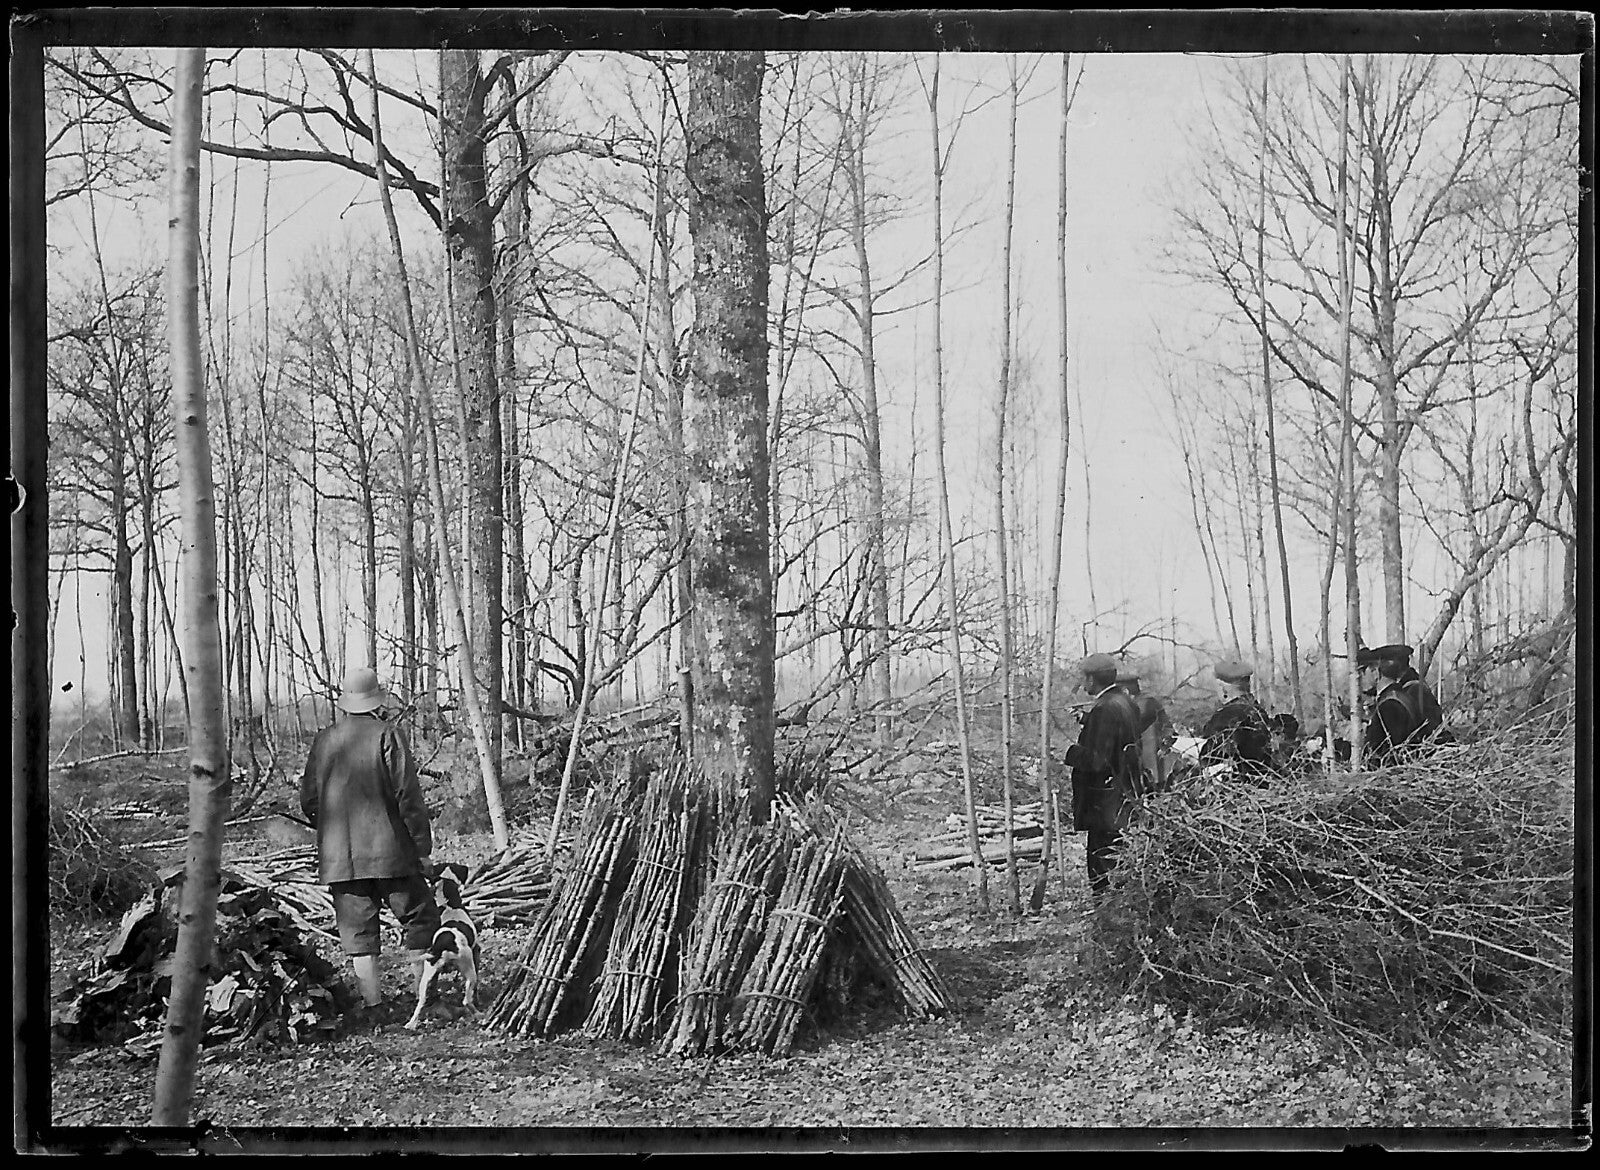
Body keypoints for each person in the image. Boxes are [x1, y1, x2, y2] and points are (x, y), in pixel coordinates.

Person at [300, 666, 440, 1023]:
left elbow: (310, 802)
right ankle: (423, 1001)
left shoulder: (323, 740)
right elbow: (408, 796)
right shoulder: (388, 736)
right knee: (420, 919)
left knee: (358, 931)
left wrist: (332, 833)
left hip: (341, 859)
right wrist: (421, 847)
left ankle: (373, 1006)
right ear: (376, 700)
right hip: (392, 854)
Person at [1066, 653, 1144, 897]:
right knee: (1118, 864)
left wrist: (1070, 752)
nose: (1083, 683)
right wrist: (1088, 720)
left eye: (1084, 678)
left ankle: (1108, 922)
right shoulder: (1125, 702)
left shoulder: (1104, 709)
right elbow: (1118, 737)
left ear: (1092, 680)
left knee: (1102, 871)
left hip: (1105, 806)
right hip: (1124, 799)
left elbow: (1098, 760)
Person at [1357, 643, 1447, 765]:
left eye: (1363, 671)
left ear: (1375, 671)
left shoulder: (1390, 705)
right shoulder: (1399, 697)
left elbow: (1389, 754)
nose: (1360, 677)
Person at [1200, 660, 1274, 778]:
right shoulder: (1259, 712)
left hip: (1237, 788)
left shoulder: (1226, 717)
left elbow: (1211, 759)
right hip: (1264, 785)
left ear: (1223, 689)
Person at [1116, 667, 1175, 794]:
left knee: (1156, 788)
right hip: (1146, 755)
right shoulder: (1137, 702)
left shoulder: (1146, 701)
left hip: (1155, 755)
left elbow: (1137, 722)